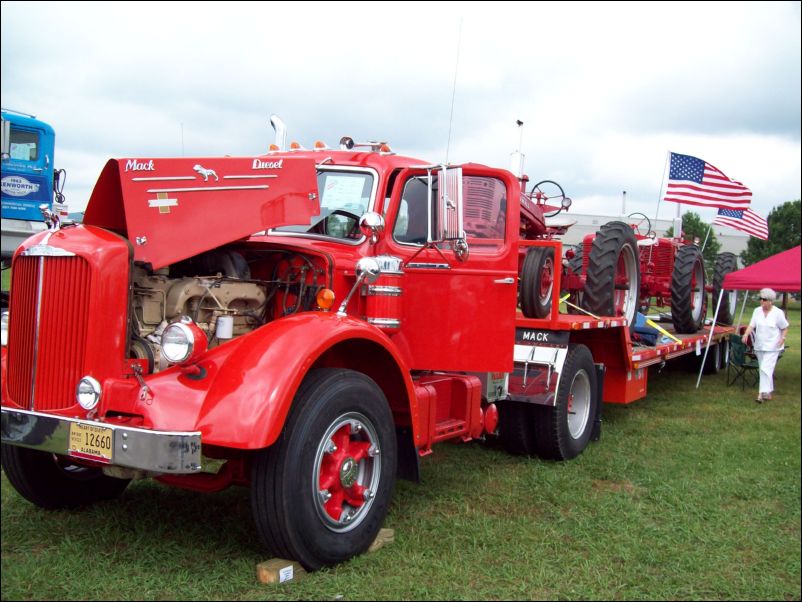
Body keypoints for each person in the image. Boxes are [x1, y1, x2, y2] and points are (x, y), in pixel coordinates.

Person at [742, 288, 789, 403]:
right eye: (760, 299)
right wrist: (746, 334)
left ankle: (760, 395)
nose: (761, 301)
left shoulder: (778, 313)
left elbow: (785, 328)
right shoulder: (757, 311)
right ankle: (768, 393)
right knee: (766, 370)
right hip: (759, 345)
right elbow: (751, 325)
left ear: (770, 301)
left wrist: (782, 339)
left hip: (773, 347)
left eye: (764, 299)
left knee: (765, 369)